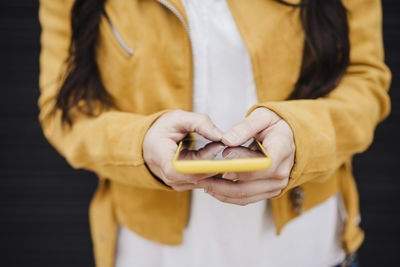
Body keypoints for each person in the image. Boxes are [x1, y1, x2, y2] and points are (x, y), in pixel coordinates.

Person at [38, 0, 391, 266]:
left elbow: (366, 82)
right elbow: (64, 110)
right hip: (152, 254)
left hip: (306, 246)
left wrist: (302, 139)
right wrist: (140, 143)